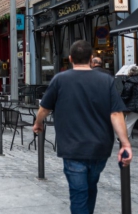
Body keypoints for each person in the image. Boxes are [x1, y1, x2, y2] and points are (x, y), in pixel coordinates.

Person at [33, 40, 132, 214]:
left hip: (73, 147)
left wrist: (38, 123)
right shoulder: (106, 80)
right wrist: (125, 143)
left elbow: (44, 108)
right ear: (91, 58)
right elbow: (116, 113)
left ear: (70, 58)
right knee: (91, 186)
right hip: (100, 147)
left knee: (79, 193)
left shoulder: (60, 80)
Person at [121, 65, 138, 138]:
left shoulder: (129, 82)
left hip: (133, 106)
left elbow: (126, 96)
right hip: (134, 105)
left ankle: (123, 138)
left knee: (128, 123)